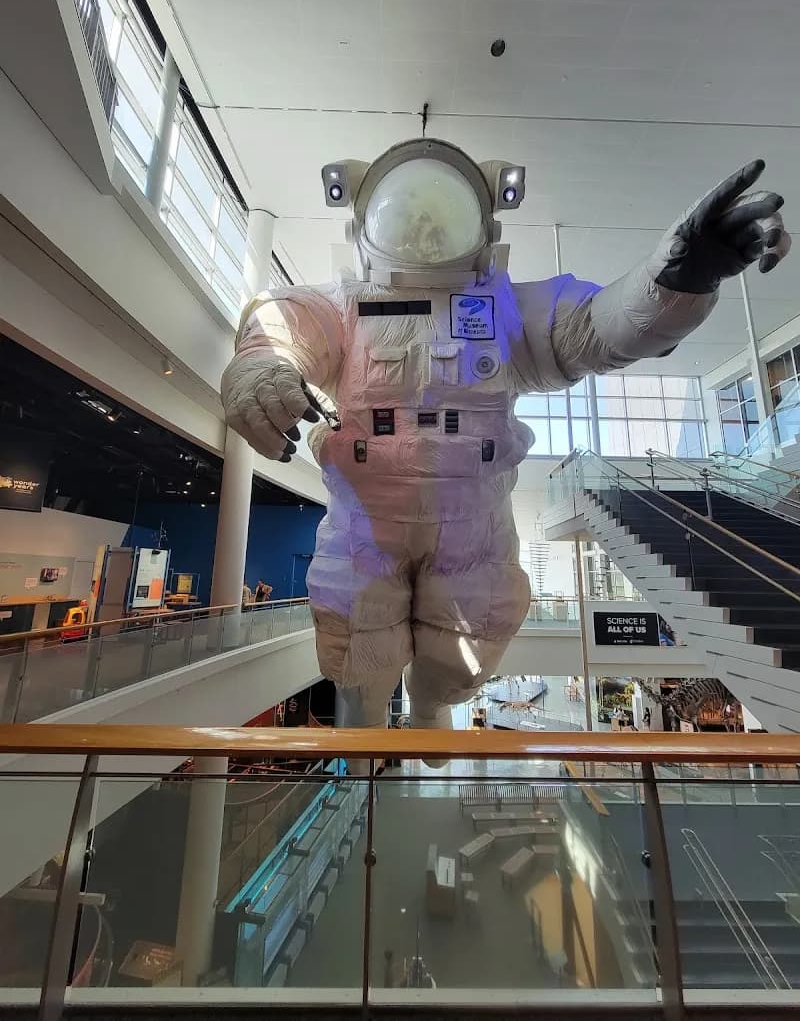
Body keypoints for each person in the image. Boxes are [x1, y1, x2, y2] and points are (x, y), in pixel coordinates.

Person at [222, 140, 789, 767]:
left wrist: (677, 279)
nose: (424, 227)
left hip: (473, 528)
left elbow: (604, 325)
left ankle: (430, 724)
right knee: (360, 652)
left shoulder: (508, 310)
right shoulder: (341, 307)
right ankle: (364, 762)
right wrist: (263, 370)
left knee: (461, 648)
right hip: (365, 523)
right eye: (410, 213)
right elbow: (280, 330)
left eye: (437, 212)